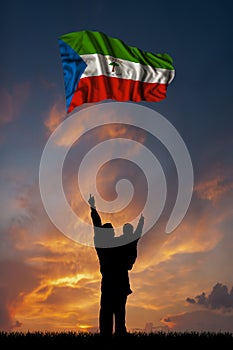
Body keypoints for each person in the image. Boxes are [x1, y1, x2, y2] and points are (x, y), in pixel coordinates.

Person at [88, 194, 144, 337]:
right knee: (117, 314)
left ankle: (110, 336)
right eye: (112, 231)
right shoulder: (109, 245)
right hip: (116, 284)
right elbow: (97, 225)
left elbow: (133, 238)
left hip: (112, 284)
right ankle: (114, 336)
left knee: (112, 314)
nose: (114, 232)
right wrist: (93, 209)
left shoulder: (107, 245)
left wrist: (93, 208)